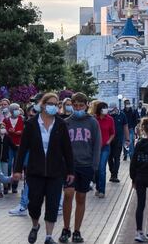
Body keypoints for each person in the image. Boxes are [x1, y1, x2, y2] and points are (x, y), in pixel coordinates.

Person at [13, 92, 75, 244]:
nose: (53, 106)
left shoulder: (61, 124)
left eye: (56, 104)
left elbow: (67, 149)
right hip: (35, 171)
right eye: (50, 103)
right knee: (34, 203)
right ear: (43, 104)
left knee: (53, 204)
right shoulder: (31, 124)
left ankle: (48, 236)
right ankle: (35, 225)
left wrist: (70, 171)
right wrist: (17, 169)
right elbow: (22, 149)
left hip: (55, 171)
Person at [60, 93, 100, 243]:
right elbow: (61, 145)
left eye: (80, 106)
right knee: (68, 194)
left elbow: (97, 144)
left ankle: (77, 230)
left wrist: (94, 166)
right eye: (75, 105)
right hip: (70, 166)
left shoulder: (92, 122)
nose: (77, 108)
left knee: (81, 197)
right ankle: (66, 228)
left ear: (86, 105)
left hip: (86, 165)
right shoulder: (66, 122)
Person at [93, 100, 115, 198]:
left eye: (106, 108)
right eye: (104, 108)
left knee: (102, 168)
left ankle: (102, 190)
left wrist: (108, 141)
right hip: (95, 148)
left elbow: (113, 133)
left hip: (105, 147)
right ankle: (98, 187)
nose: (106, 110)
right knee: (96, 169)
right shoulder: (94, 119)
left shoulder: (110, 119)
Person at [3, 103, 24, 193]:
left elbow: (25, 130)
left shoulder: (22, 119)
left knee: (17, 166)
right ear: (11, 111)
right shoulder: (6, 120)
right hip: (9, 145)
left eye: (17, 109)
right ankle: (7, 184)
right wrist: (7, 131)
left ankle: (15, 185)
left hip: (19, 145)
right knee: (8, 165)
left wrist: (21, 132)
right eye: (15, 109)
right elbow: (1, 129)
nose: (17, 111)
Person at [108, 104, 128, 183]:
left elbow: (125, 127)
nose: (110, 111)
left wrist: (127, 139)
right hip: (109, 140)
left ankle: (115, 175)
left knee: (117, 158)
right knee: (109, 158)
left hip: (118, 140)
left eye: (112, 110)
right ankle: (112, 172)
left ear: (116, 108)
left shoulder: (122, 115)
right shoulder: (108, 115)